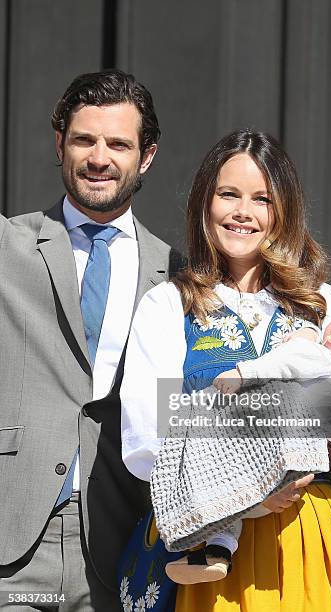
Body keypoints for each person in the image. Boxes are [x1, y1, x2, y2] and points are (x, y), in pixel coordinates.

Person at [121, 130, 331, 611]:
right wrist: (272, 460)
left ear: (284, 210)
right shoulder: (168, 304)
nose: (242, 212)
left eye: (261, 199)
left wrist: (209, 416)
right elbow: (147, 432)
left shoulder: (323, 303)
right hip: (207, 528)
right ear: (205, 202)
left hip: (305, 535)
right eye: (228, 194)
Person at [0, 69, 183, 611]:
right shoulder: (9, 245)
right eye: (84, 139)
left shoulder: (178, 274)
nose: (99, 157)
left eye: (118, 143)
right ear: (60, 144)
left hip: (121, 540)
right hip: (14, 536)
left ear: (145, 156)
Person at [156, 310, 331, 584]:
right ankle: (218, 552)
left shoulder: (315, 353)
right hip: (284, 492)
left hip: (260, 475)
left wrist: (242, 373)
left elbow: (283, 362)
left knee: (226, 505)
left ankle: (218, 549)